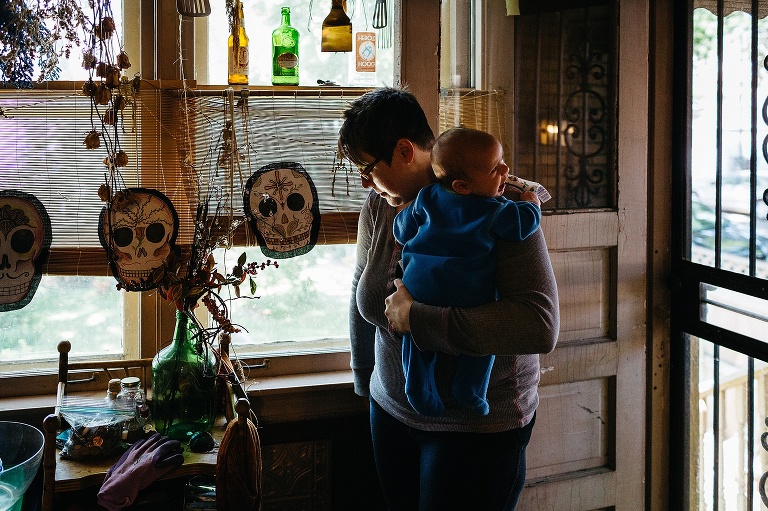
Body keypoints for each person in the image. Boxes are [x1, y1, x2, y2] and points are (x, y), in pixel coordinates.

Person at [339, 87, 559, 511]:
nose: (364, 181)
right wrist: (364, 379)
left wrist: (417, 319)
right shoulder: (381, 204)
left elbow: (538, 324)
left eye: (368, 168)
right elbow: (359, 291)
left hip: (475, 428)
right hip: (390, 410)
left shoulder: (497, 204)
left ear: (405, 151)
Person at [394, 127, 542, 418]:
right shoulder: (495, 210)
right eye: (495, 169)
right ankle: (470, 390)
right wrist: (532, 204)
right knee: (483, 343)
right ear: (462, 186)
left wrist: (407, 214)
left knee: (415, 341)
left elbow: (401, 230)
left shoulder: (426, 197)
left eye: (502, 161)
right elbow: (522, 226)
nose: (505, 170)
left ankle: (418, 389)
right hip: (469, 293)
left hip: (419, 288)